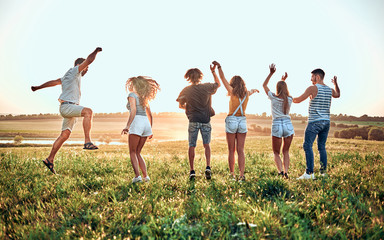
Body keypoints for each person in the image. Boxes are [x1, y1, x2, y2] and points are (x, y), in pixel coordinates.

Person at [31, 47, 102, 174]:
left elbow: (53, 82)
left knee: (64, 135)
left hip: (70, 108)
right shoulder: (75, 71)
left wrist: (38, 87)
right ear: (80, 65)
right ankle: (87, 142)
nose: (87, 70)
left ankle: (49, 159)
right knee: (88, 112)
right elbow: (89, 60)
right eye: (86, 67)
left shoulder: (68, 76)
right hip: (68, 107)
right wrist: (96, 51)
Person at [212, 61, 259, 182]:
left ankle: (232, 175)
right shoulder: (246, 94)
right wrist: (255, 90)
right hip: (242, 121)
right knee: (241, 150)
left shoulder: (232, 91)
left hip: (232, 120)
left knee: (231, 150)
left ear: (233, 84)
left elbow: (222, 78)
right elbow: (251, 91)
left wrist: (219, 67)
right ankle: (241, 175)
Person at [293, 68, 340, 179]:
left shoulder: (312, 88)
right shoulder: (329, 89)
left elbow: (298, 100)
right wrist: (336, 84)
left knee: (307, 145)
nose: (311, 79)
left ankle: (309, 173)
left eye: (312, 77)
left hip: (314, 122)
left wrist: (287, 97)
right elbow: (337, 94)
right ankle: (323, 173)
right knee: (321, 147)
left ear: (317, 77)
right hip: (326, 122)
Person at [176, 66, 221, 180]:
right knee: (207, 145)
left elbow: (180, 105)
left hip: (193, 120)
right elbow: (218, 83)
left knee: (192, 145)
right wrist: (213, 71)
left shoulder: (186, 90)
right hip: (205, 120)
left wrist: (189, 109)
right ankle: (208, 167)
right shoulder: (207, 87)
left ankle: (192, 171)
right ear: (200, 77)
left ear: (189, 78)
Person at [121, 76, 160, 183]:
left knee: (132, 152)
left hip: (137, 121)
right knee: (138, 152)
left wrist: (127, 126)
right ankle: (145, 176)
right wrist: (150, 130)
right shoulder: (144, 97)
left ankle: (137, 177)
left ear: (134, 85)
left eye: (131, 84)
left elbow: (133, 110)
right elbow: (150, 115)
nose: (129, 86)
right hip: (146, 124)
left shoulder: (132, 95)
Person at [262, 64, 294, 179]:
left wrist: (271, 73)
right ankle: (286, 172)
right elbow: (284, 93)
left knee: (276, 152)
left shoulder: (273, 97)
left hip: (277, 125)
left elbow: (264, 85)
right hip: (288, 125)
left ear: (277, 88)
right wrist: (283, 81)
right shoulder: (290, 99)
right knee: (286, 151)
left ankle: (280, 172)